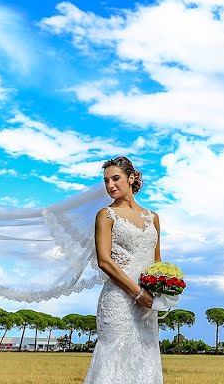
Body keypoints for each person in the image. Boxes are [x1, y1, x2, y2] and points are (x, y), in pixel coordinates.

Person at [83, 156, 163, 384]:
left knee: (145, 358)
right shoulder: (106, 215)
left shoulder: (153, 217)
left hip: (148, 303)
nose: (110, 186)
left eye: (115, 179)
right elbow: (105, 261)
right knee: (113, 359)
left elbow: (157, 261)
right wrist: (137, 293)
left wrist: (163, 291)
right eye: (106, 181)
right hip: (118, 300)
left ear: (132, 178)